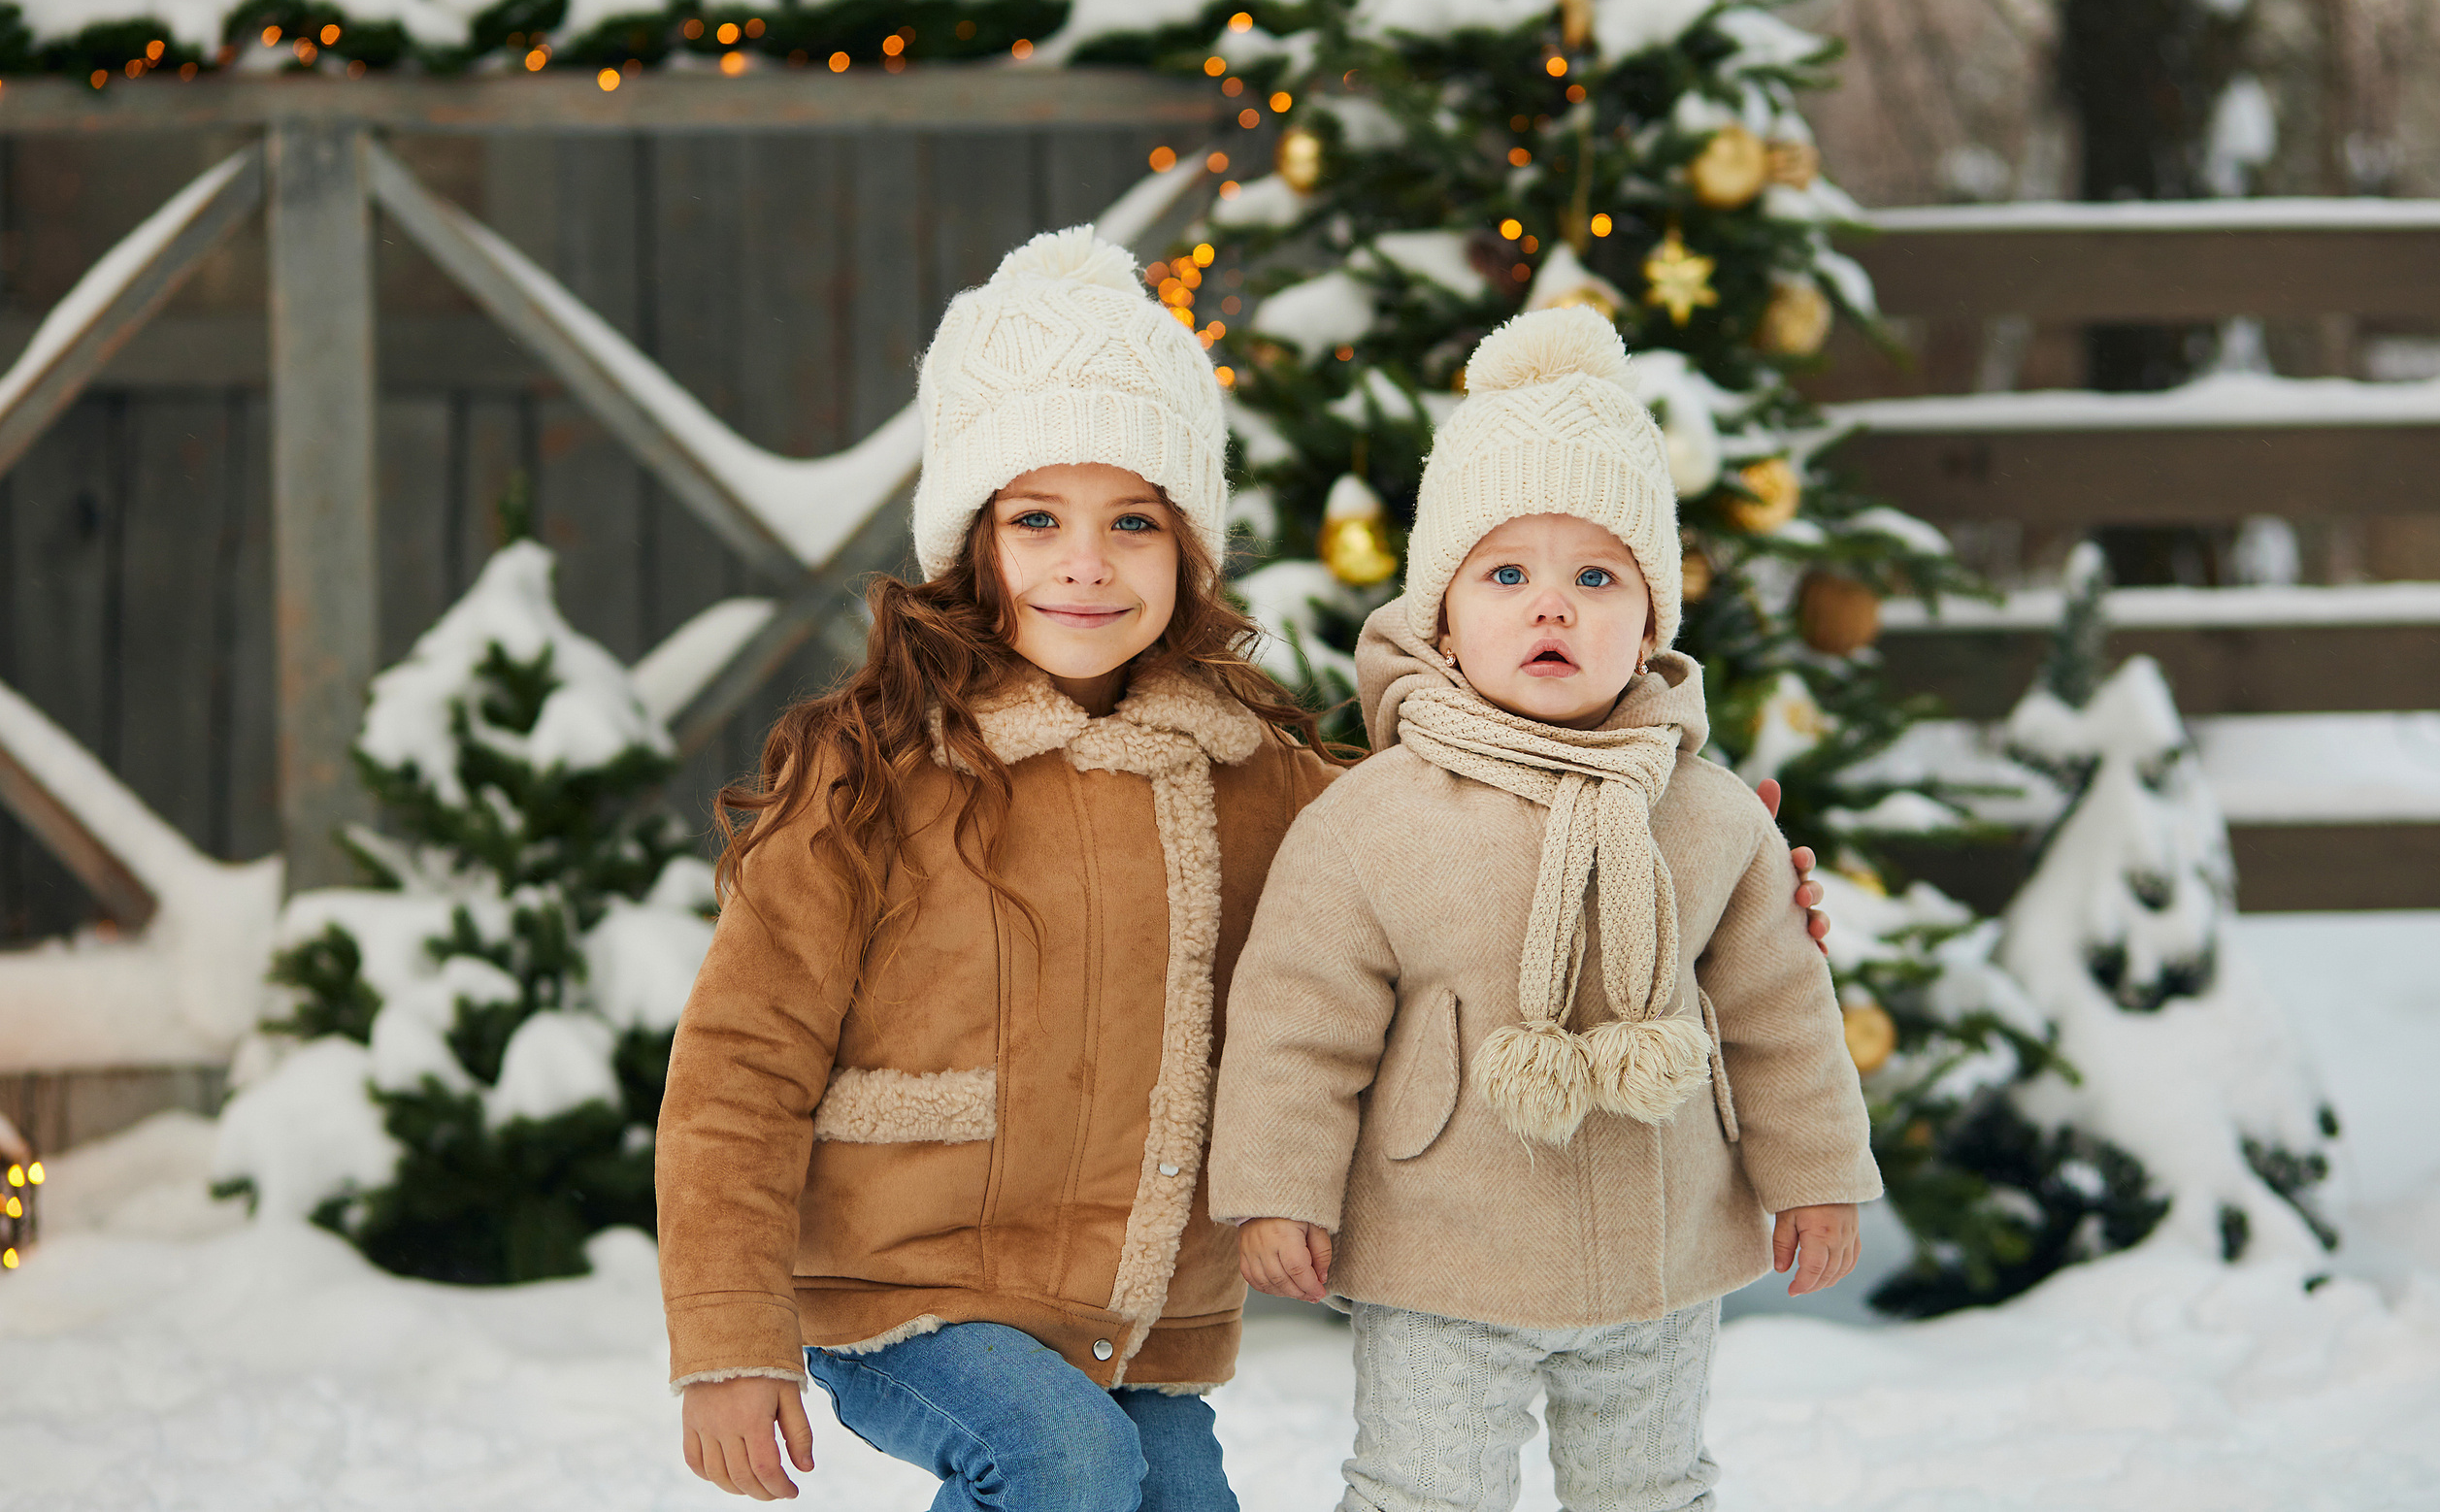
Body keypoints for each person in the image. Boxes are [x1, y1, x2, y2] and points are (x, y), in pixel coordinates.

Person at [656, 233, 1839, 1509]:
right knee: (1062, 1460)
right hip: (907, 1281)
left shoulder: (1263, 782)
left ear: (1189, 549)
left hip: (1137, 1308)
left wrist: (1689, 861)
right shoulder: (871, 771)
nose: (1086, 562)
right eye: (1036, 518)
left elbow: (1460, 863)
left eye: (1134, 522)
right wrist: (729, 1337)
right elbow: (739, 1071)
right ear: (969, 541)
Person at [1208, 307, 1882, 1512]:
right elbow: (1294, 1021)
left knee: (1652, 1488)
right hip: (1442, 1245)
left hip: (1659, 1241)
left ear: (1652, 616)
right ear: (1444, 614)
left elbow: (1782, 1010)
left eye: (1596, 576)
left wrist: (1818, 1172)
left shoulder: (1711, 812)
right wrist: (1279, 1189)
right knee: (1422, 1490)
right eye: (1507, 574)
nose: (1552, 607)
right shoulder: (1375, 817)